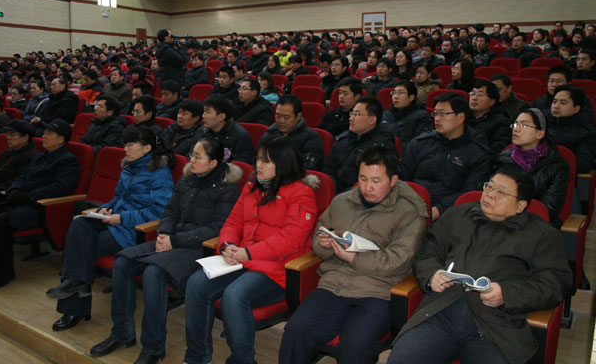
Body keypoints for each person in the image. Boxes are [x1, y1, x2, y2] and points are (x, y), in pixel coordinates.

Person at [389, 166, 573, 364]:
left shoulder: (542, 235)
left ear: (520, 206)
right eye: (489, 187)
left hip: (494, 326)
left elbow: (554, 284)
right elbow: (427, 250)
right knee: (402, 359)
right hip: (441, 312)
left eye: (501, 193)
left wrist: (506, 294)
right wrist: (432, 274)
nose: (490, 195)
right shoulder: (457, 215)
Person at [89, 138, 241, 364]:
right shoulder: (187, 179)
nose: (191, 160)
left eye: (198, 156)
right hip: (172, 239)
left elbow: (217, 228)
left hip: (198, 249)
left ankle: (153, 347)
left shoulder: (228, 188)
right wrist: (164, 233)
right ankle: (122, 333)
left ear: (213, 163)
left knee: (154, 272)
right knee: (122, 263)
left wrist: (174, 240)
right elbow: (170, 211)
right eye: (192, 154)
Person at [279, 146, 427, 364]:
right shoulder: (342, 202)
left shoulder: (410, 212)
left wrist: (354, 258)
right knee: (296, 330)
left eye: (376, 181)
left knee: (355, 345)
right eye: (363, 178)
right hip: (333, 284)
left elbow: (399, 261)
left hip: (378, 291)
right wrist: (324, 244)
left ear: (393, 180)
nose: (367, 187)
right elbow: (319, 236)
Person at [182, 136, 318, 364]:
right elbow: (233, 222)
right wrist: (226, 245)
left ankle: (243, 360)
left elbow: (291, 240)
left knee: (234, 296)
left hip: (278, 268)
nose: (258, 165)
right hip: (243, 258)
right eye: (258, 159)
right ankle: (196, 357)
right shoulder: (252, 186)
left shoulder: (301, 193)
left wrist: (247, 253)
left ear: (283, 163)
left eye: (266, 161)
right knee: (196, 284)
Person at [46, 126, 175, 331]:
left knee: (81, 247)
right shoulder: (129, 167)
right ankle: (77, 285)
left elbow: (159, 212)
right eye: (125, 144)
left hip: (135, 230)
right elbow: (118, 198)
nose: (125, 149)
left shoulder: (160, 173)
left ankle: (74, 306)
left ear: (147, 148)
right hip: (114, 220)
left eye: (131, 145)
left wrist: (121, 218)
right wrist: (105, 208)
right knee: (79, 223)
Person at [0, 119, 79, 288]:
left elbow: (60, 188)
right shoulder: (40, 156)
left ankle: (3, 274)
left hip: (39, 207)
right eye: (45, 133)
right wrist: (15, 189)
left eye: (49, 133)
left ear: (61, 139)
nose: (44, 136)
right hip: (20, 200)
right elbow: (22, 177)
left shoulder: (67, 160)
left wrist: (29, 196)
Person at [400, 93, 492, 221]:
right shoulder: (420, 143)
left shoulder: (478, 153)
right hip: (409, 204)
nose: (437, 119)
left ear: (460, 117)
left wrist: (438, 210)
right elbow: (402, 177)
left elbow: (469, 193)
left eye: (443, 114)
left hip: (449, 215)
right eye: (435, 114)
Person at [495, 108, 568, 227]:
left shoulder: (556, 166)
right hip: (500, 220)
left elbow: (549, 209)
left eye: (524, 125)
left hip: (537, 225)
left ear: (540, 133)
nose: (516, 129)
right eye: (515, 124)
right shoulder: (503, 159)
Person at [323, 97, 394, 194]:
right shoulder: (342, 139)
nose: (351, 118)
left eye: (357, 114)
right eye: (352, 114)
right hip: (334, 192)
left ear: (372, 120)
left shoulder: (382, 146)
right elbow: (328, 168)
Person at [260, 94, 324, 170]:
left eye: (286, 117)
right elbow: (256, 160)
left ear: (298, 116)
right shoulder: (270, 133)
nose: (281, 120)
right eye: (278, 116)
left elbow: (309, 167)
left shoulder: (311, 138)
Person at [548, 85, 596, 174]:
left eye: (563, 103)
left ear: (576, 109)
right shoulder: (542, 127)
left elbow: (583, 164)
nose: (556, 106)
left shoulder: (585, 134)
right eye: (554, 102)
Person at [192, 96, 254, 164]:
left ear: (221, 116)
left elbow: (241, 165)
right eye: (204, 111)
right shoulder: (201, 131)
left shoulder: (240, 136)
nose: (203, 116)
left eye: (208, 112)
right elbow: (191, 156)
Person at [381, 80, 432, 150]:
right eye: (394, 93)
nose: (395, 97)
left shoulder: (422, 116)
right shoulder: (385, 115)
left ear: (411, 97)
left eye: (400, 93)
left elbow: (421, 144)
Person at [466, 79, 511, 154]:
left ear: (492, 102)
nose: (474, 98)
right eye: (472, 94)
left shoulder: (502, 122)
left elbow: (498, 148)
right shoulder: (462, 117)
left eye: (480, 95)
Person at [0, 120, 39, 193]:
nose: (8, 137)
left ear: (25, 137)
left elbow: (14, 181)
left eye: (12, 135)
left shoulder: (30, 157)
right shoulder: (9, 151)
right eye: (7, 134)